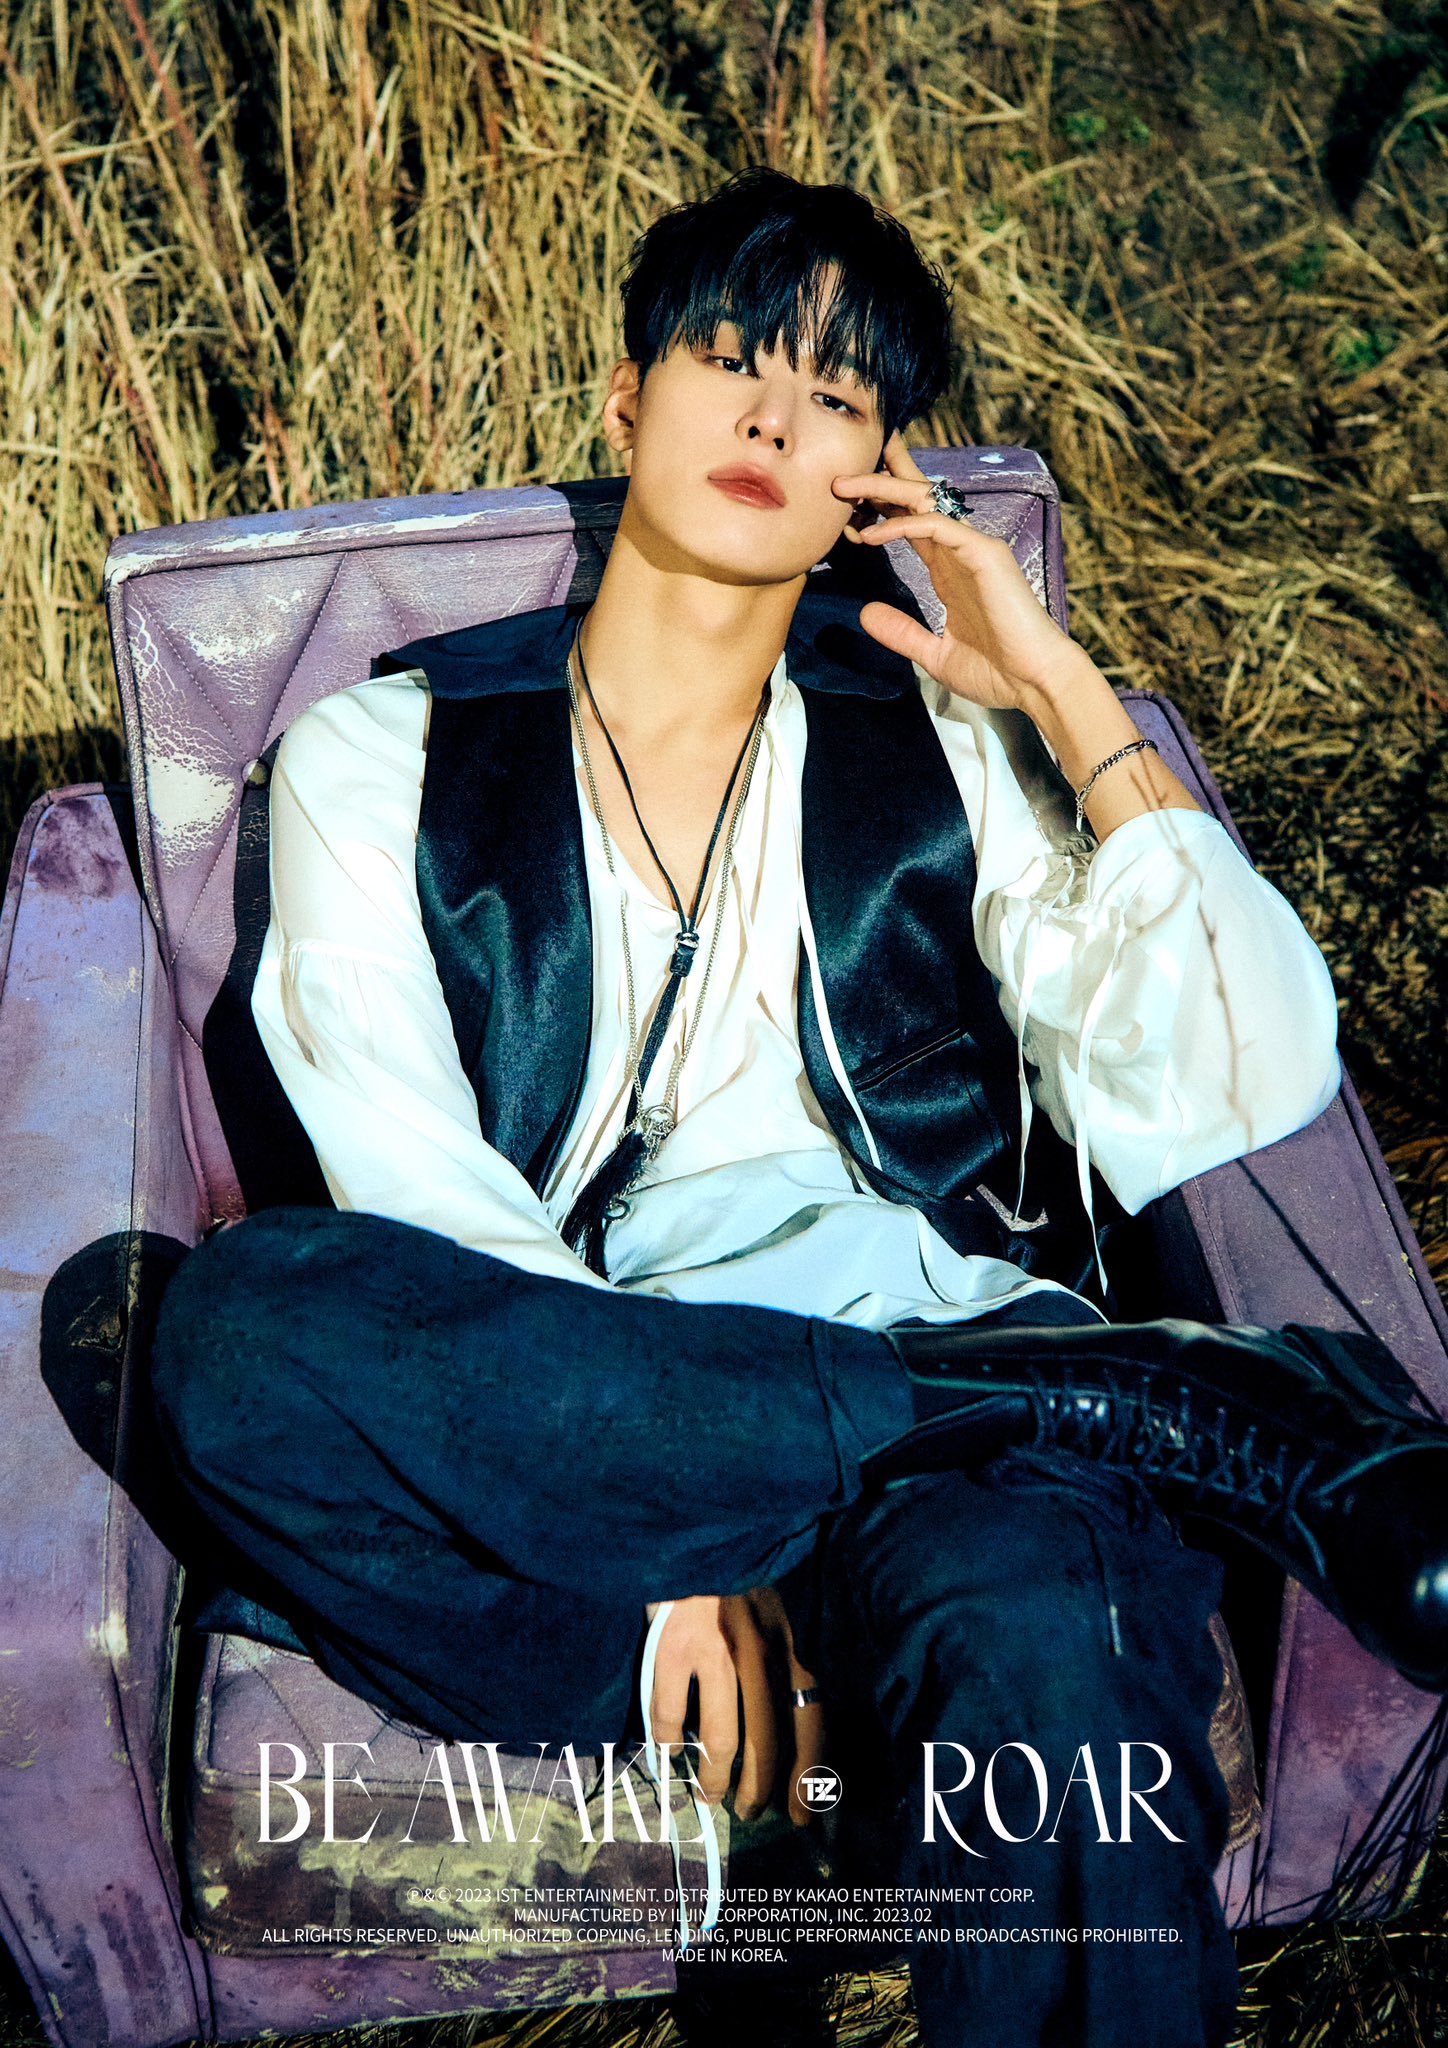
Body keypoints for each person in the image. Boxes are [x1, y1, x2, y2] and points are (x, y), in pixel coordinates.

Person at [149, 170, 1448, 2048]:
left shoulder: (944, 748)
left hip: (947, 1451)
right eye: (731, 360)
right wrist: (666, 1539)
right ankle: (1123, 1395)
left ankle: (1023, 1413)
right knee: (237, 1334)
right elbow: (414, 1189)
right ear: (628, 401)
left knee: (1042, 1643)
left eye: (835, 397)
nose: (772, 418)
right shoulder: (386, 754)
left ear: (875, 476)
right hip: (585, 1449)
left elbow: (1235, 1074)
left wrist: (1065, 691)